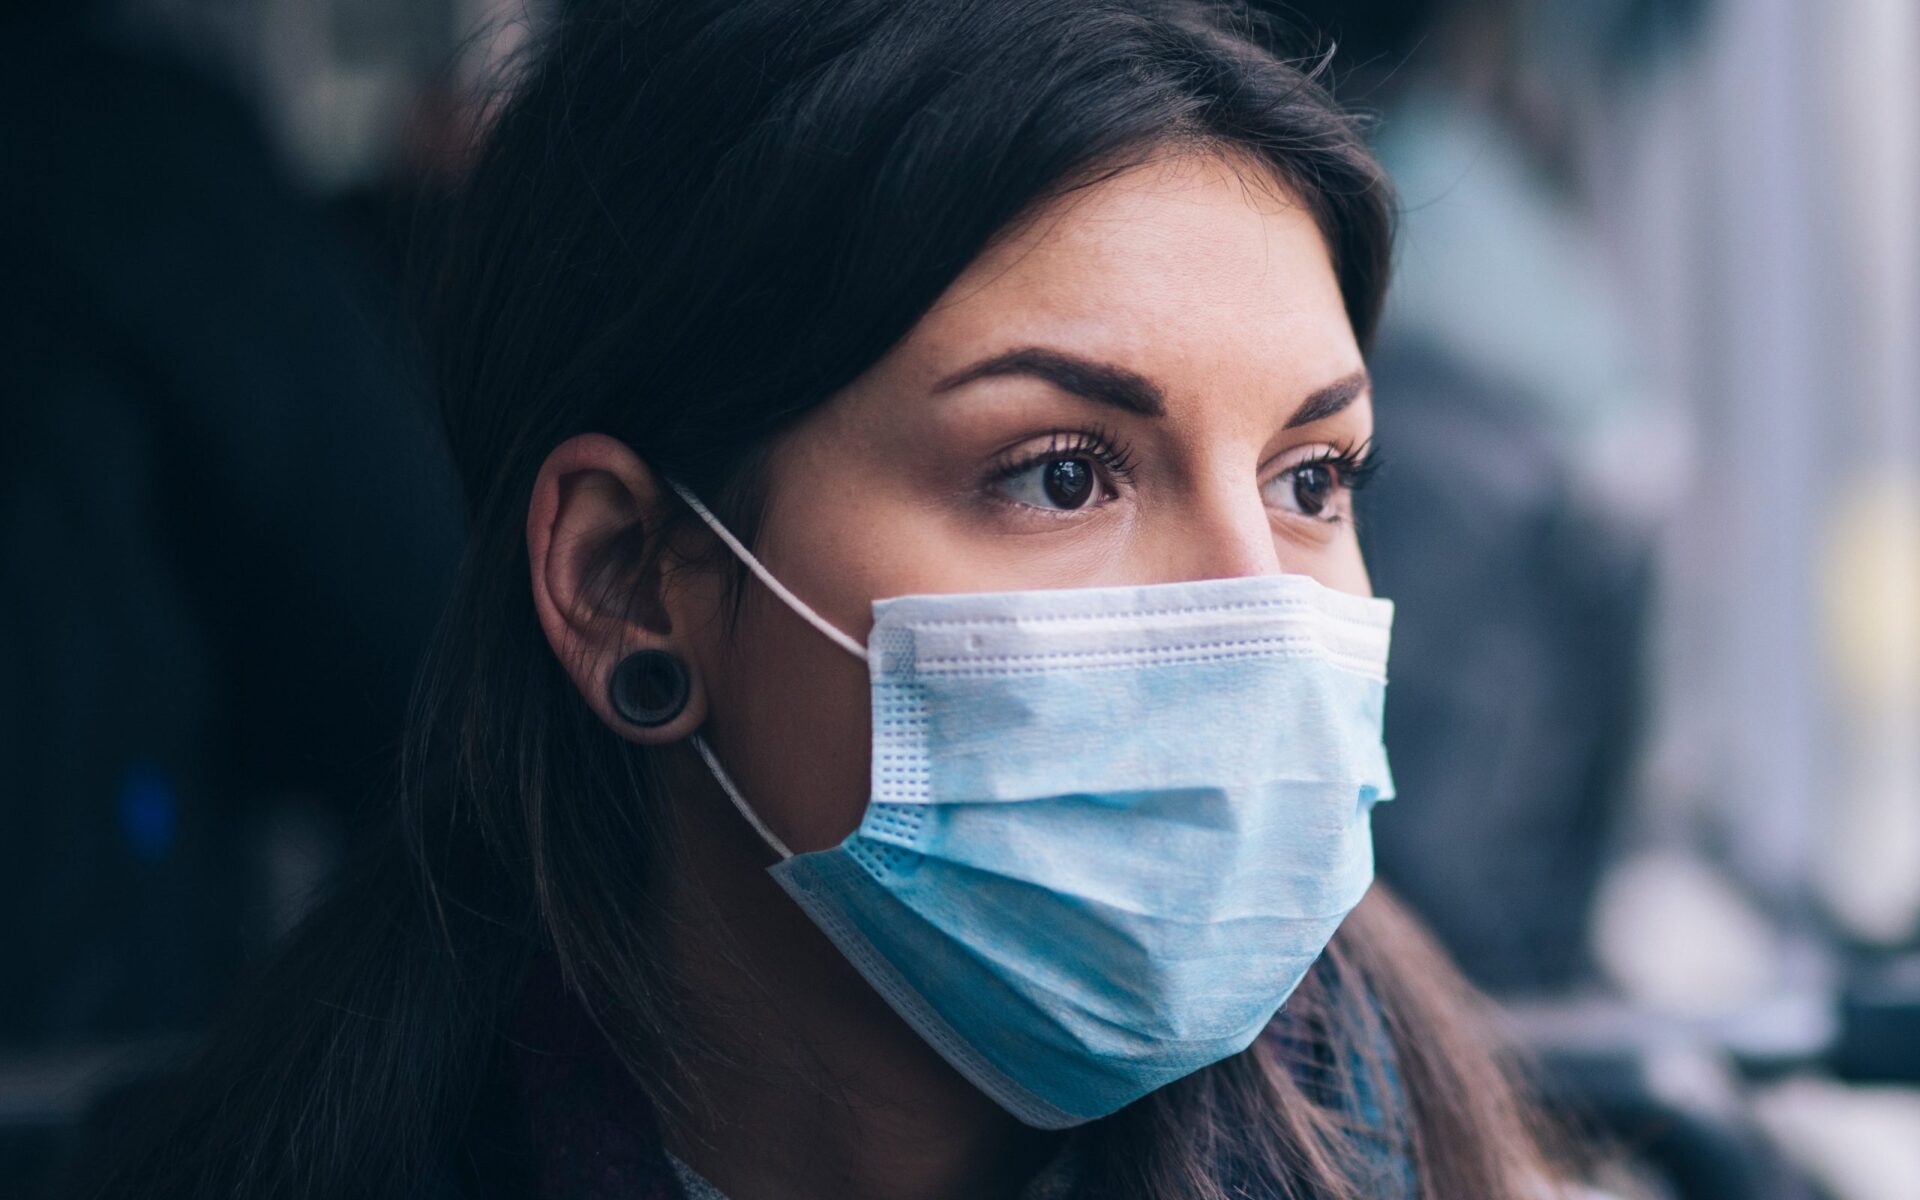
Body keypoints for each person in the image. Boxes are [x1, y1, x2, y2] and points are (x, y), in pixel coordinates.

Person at [74, 2, 1568, 1197]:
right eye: (1061, 475)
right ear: (625, 578)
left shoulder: (1418, 1139)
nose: (1255, 617)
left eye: (1312, 480)